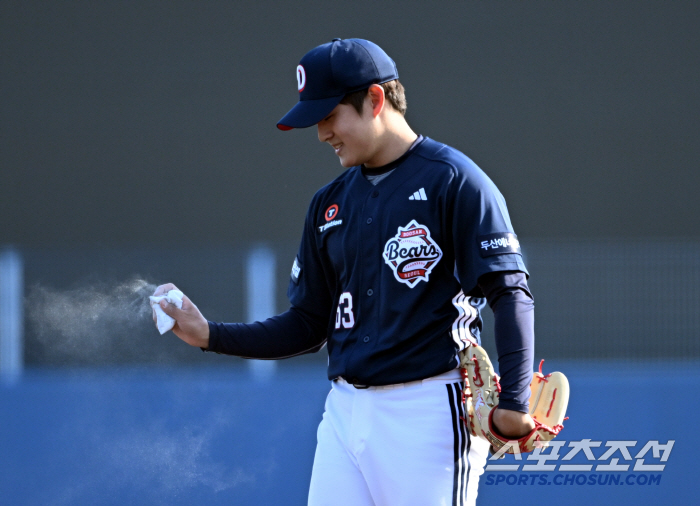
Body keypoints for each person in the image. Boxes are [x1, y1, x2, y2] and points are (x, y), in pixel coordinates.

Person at [154, 38, 535, 506]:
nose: (321, 134)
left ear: (375, 99)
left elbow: (510, 291)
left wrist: (514, 403)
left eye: (329, 116)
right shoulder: (328, 203)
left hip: (428, 410)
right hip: (343, 411)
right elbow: (307, 324)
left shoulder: (454, 180)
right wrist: (209, 334)